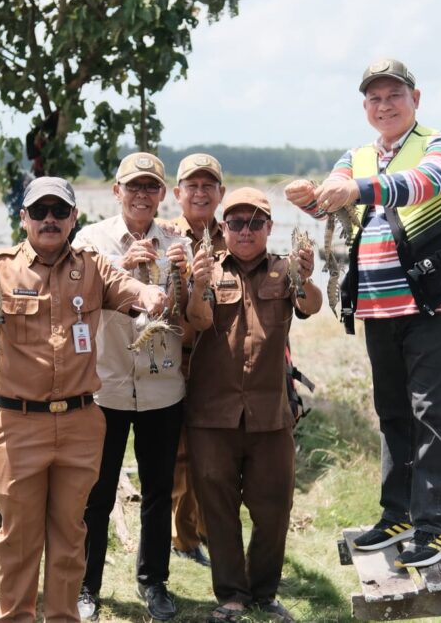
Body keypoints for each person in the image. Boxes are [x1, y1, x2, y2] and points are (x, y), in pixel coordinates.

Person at [0, 176, 168, 623]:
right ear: (24, 218)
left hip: (79, 422)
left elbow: (130, 289)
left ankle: (63, 617)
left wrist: (151, 293)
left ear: (73, 218)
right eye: (39, 211)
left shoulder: (93, 266)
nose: (49, 219)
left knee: (70, 535)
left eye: (59, 211)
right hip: (19, 424)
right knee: (18, 539)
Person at [285, 58, 441, 569]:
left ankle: (435, 527)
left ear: (416, 99)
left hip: (432, 305)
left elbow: (426, 182)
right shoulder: (357, 156)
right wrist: (307, 198)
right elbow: (331, 204)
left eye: (394, 95)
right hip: (378, 309)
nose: (384, 105)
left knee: (431, 414)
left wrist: (359, 189)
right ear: (365, 106)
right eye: (374, 98)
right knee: (392, 413)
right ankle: (397, 516)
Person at [185, 188, 321, 623]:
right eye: (237, 223)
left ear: (268, 227)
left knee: (275, 508)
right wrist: (198, 285)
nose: (246, 231)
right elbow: (195, 319)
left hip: (270, 414)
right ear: (223, 228)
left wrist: (306, 277)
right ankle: (231, 596)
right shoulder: (206, 268)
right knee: (218, 509)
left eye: (255, 222)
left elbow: (312, 304)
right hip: (212, 414)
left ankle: (263, 593)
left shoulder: (285, 269)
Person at [72, 153, 194, 621]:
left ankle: (154, 582)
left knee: (158, 491)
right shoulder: (90, 240)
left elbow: (188, 313)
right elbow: (75, 299)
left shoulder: (177, 242)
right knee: (97, 493)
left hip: (163, 388)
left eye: (151, 187)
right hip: (106, 387)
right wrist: (120, 267)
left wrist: (186, 276)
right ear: (116, 191)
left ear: (162, 194)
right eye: (133, 186)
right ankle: (87, 587)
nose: (142, 195)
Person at [166, 152, 227, 569]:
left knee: (218, 452)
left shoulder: (237, 232)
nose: (200, 193)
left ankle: (210, 529)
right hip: (177, 358)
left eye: (208, 185)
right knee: (180, 454)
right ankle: (182, 537)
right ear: (178, 193)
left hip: (221, 361)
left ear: (221, 192)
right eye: (193, 185)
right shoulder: (165, 236)